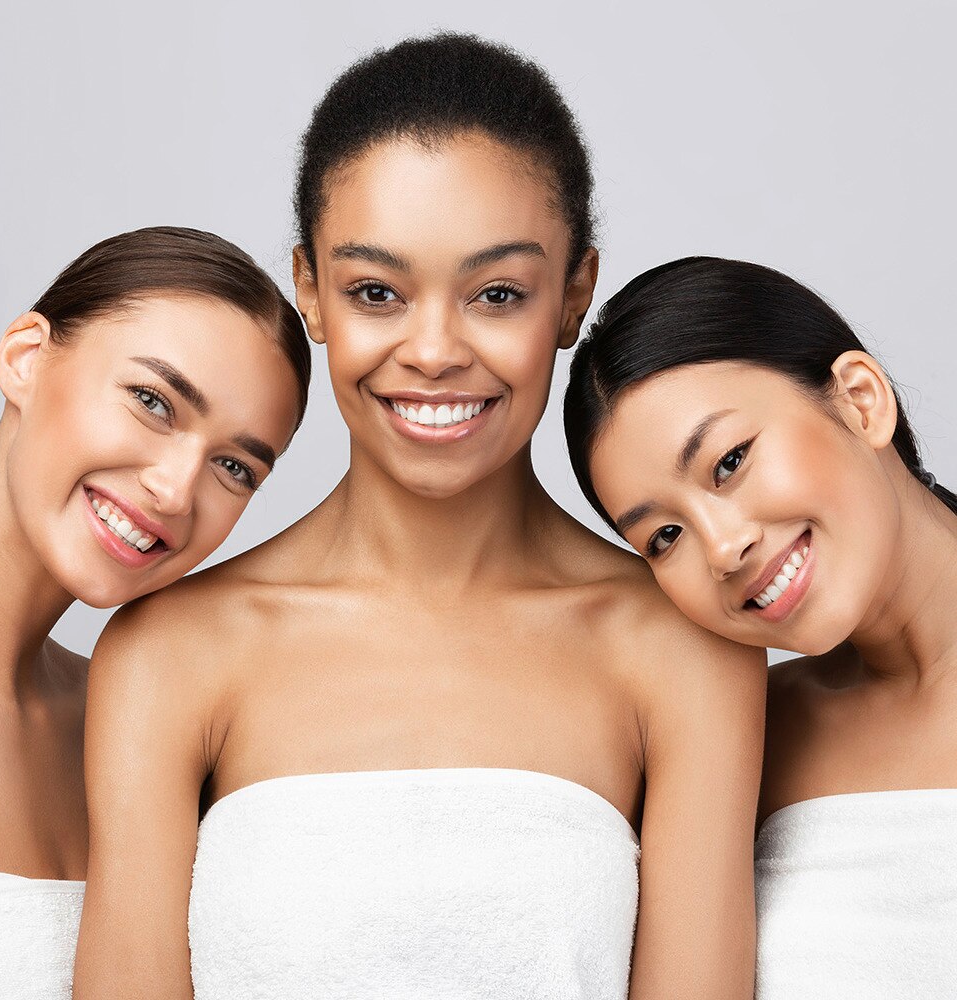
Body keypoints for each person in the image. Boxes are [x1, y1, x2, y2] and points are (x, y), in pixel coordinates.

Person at [74, 40, 764, 1000]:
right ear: (309, 289)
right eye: (375, 292)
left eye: (496, 295)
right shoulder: (169, 651)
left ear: (574, 295)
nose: (433, 351)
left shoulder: (684, 647)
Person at [565, 255, 957, 999]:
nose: (722, 547)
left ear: (860, 401)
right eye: (664, 538)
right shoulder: (738, 743)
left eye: (729, 462)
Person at [0, 225, 310, 1000]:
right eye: (153, 401)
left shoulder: (137, 727)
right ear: (24, 359)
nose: (177, 491)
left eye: (234, 466)